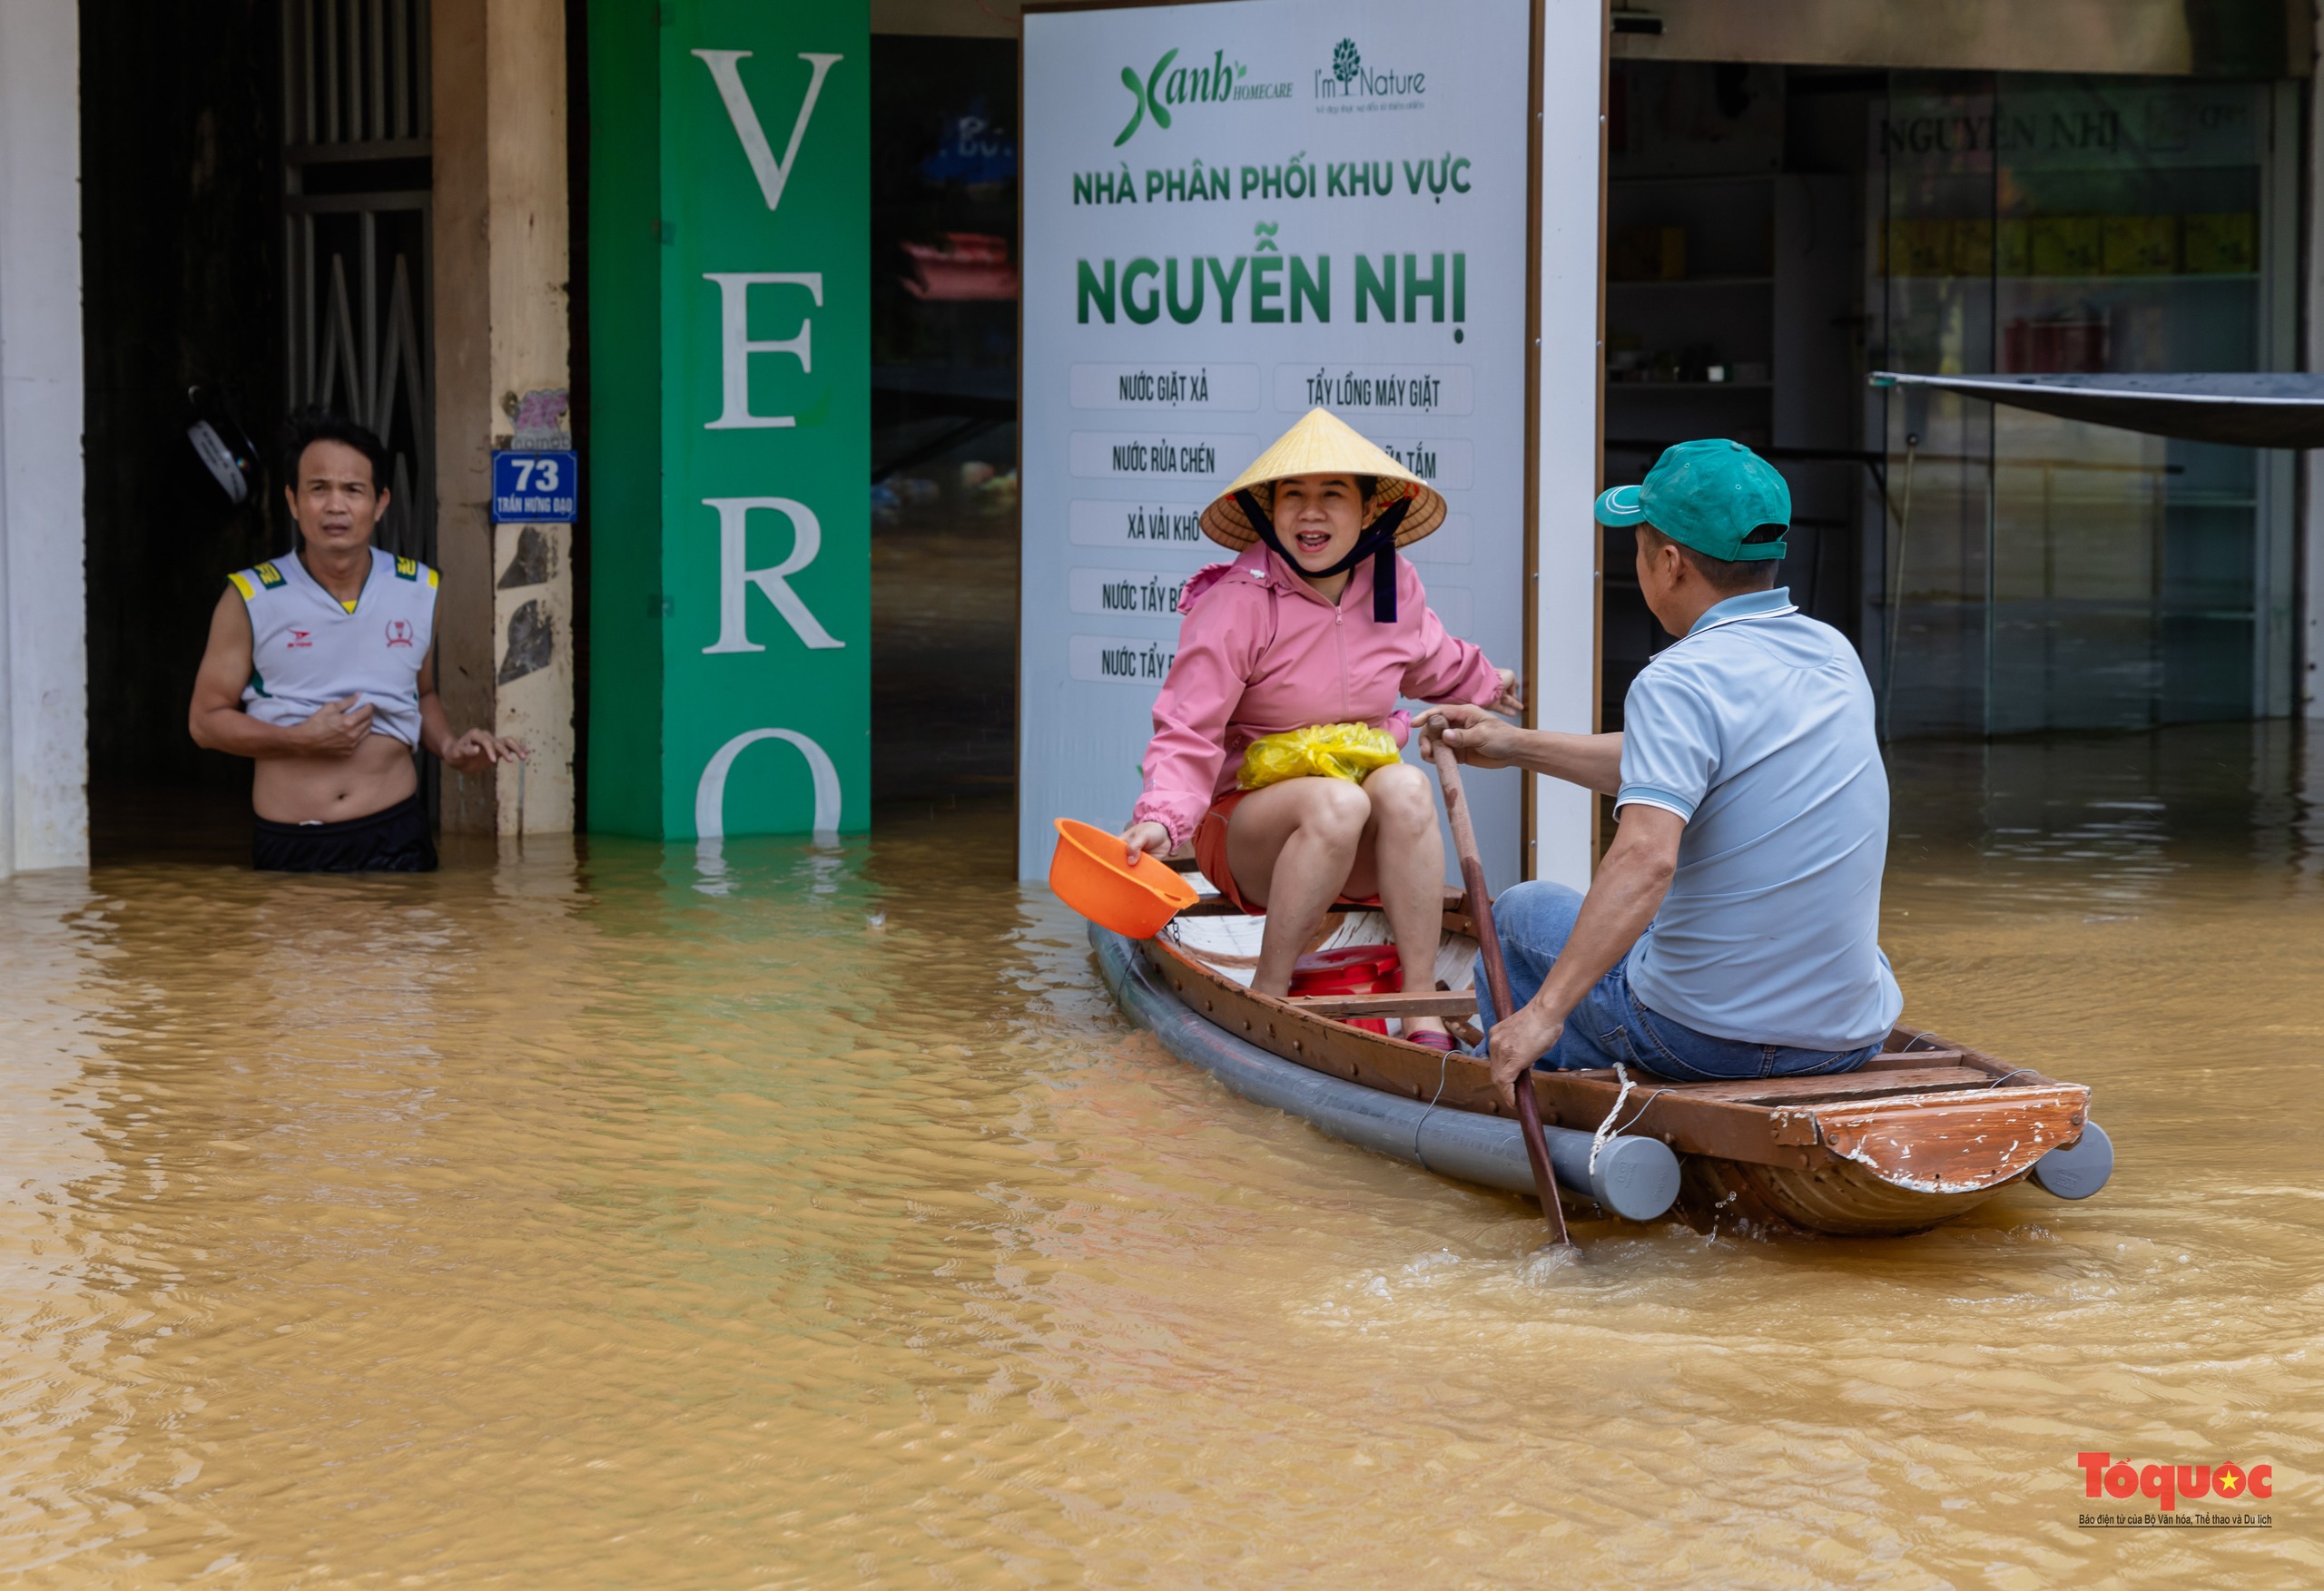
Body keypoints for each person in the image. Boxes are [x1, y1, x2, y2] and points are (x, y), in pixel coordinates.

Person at [1421, 437, 1902, 1099]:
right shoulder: (1833, 656)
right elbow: (1681, 764)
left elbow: (1647, 858)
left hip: (1700, 1042)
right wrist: (1516, 745)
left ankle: (1504, 1070)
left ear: (1669, 563)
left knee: (1519, 912)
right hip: (1847, 1038)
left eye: (1639, 545)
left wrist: (1542, 1014)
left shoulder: (1677, 677)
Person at [1116, 408, 1521, 1050]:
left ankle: (1418, 1008)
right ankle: (1268, 998)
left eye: (1332, 495)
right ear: (1268, 512)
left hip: (1354, 848)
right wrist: (1163, 818)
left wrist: (1490, 687)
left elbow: (1433, 659)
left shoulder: (1392, 583)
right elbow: (1187, 728)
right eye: (1292, 497)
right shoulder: (1237, 601)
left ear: (1368, 512)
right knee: (1339, 800)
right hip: (1249, 836)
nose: (1310, 513)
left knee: (1407, 788)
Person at [189, 408, 526, 871]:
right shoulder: (249, 596)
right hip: (293, 841)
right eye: (318, 489)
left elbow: (420, 693)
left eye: (353, 490)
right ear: (292, 500)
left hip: (396, 835)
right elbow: (205, 723)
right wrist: (299, 740)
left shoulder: (420, 588)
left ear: (380, 502)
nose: (335, 506)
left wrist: (449, 747)